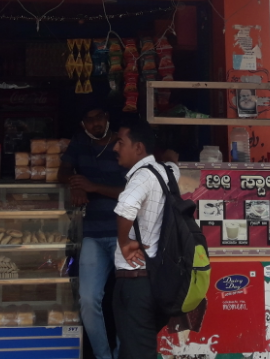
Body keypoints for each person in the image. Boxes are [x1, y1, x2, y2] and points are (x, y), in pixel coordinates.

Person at [112, 119, 180, 359]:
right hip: (155, 281)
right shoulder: (165, 172)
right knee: (134, 350)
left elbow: (126, 207)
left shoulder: (141, 176)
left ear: (138, 148)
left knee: (139, 353)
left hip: (135, 282)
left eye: (121, 142)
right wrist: (171, 157)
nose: (115, 148)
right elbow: (174, 165)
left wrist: (124, 243)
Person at [60, 107, 125, 359]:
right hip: (92, 235)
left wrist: (93, 186)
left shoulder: (123, 143)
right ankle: (102, 356)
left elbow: (133, 189)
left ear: (108, 118)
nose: (96, 123)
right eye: (90, 119)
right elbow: (62, 171)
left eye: (100, 117)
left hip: (124, 234)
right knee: (87, 299)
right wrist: (75, 182)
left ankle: (121, 353)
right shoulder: (79, 142)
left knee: (126, 300)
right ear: (83, 122)